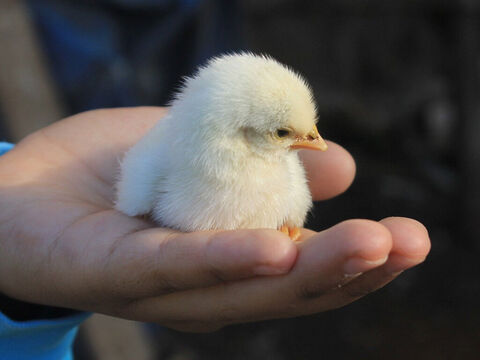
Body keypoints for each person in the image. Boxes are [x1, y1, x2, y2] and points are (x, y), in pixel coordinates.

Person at [0, 107, 431, 359]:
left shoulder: (278, 169)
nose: (315, 142)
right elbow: (136, 197)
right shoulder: (166, 159)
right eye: (286, 133)